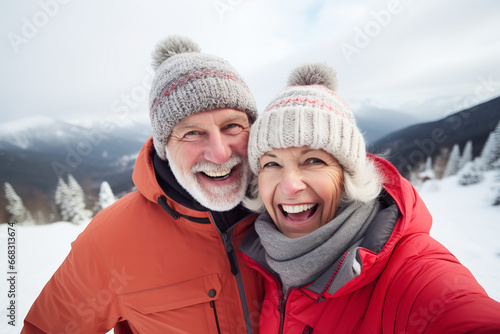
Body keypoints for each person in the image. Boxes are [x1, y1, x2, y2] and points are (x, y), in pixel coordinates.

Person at [22, 36, 264, 333]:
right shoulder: (109, 241)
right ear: (164, 147)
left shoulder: (292, 214)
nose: (220, 152)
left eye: (232, 126)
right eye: (192, 133)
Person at [238, 63, 500, 333]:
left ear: (348, 176)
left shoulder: (408, 272)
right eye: (271, 164)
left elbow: (457, 310)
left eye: (313, 160)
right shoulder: (261, 256)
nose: (290, 185)